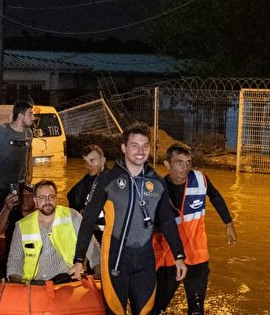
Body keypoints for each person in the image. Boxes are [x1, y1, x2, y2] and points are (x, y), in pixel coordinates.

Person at [68, 122, 188, 315]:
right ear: (124, 147)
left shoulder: (157, 183)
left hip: (145, 263)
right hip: (115, 261)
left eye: (145, 146)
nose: (141, 151)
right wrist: (79, 259)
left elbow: (167, 221)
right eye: (135, 145)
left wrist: (179, 257)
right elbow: (88, 220)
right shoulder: (108, 180)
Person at [151, 143, 237, 315]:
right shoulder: (156, 189)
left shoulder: (200, 179)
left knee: (196, 309)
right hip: (169, 258)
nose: (185, 168)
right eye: (179, 162)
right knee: (157, 308)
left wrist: (228, 223)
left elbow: (215, 196)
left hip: (197, 255)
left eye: (188, 162)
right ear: (167, 164)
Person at [7, 180, 101, 283]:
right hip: (35, 284)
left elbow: (91, 245)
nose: (47, 201)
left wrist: (99, 271)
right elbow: (15, 260)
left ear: (56, 198)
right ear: (35, 201)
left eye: (51, 197)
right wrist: (16, 284)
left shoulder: (73, 216)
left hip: (68, 282)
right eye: (42, 198)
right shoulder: (21, 226)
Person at [0, 100, 34, 272]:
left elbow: (29, 152)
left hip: (17, 186)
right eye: (30, 114)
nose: (33, 117)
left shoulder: (29, 133)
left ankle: (9, 264)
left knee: (15, 226)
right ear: (20, 116)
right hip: (0, 186)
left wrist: (29, 173)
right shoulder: (0, 131)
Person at [67, 144, 108, 243]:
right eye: (86, 162)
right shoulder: (86, 181)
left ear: (103, 161)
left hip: (110, 235)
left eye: (92, 160)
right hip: (91, 235)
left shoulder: (115, 181)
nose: (88, 165)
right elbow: (72, 200)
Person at [0, 183, 37, 263]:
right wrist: (6, 208)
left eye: (29, 196)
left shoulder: (41, 216)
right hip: (12, 261)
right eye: (22, 196)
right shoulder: (12, 214)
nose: (26, 198)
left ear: (36, 199)